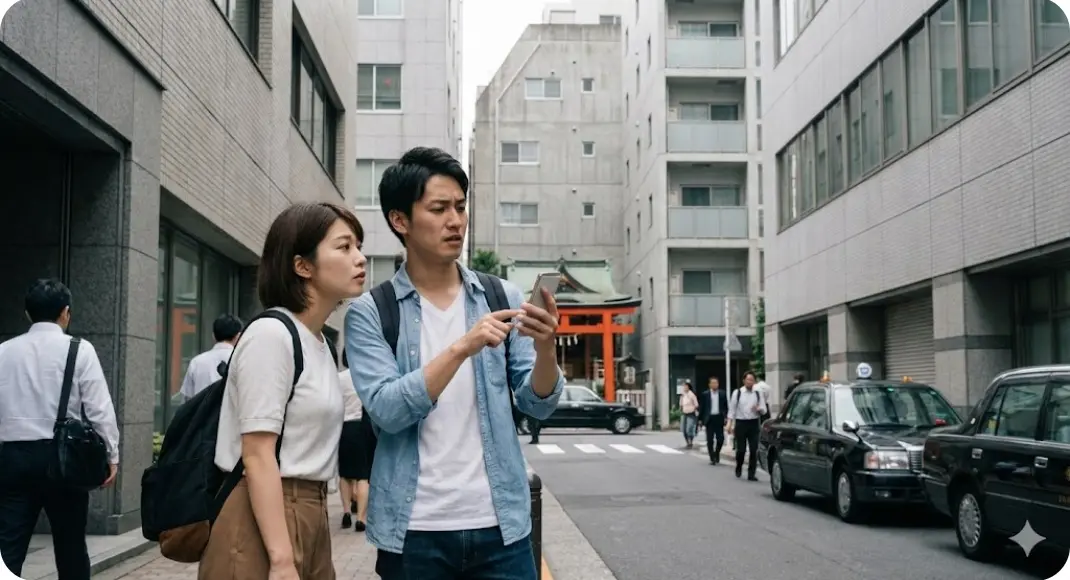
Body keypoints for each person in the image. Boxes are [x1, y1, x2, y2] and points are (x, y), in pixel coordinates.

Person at [345, 146, 564, 580]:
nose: (456, 221)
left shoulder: (502, 297)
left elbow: (538, 404)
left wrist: (545, 350)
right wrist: (461, 347)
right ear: (400, 220)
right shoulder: (372, 311)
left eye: (461, 208)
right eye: (439, 208)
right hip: (415, 532)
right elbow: (387, 411)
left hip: (501, 526)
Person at [199, 203, 366, 580]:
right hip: (260, 512)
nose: (360, 258)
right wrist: (281, 558)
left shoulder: (318, 342)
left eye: (358, 246)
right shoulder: (272, 335)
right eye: (344, 247)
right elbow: (256, 453)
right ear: (302, 266)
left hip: (310, 508)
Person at [0, 279, 120, 580]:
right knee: (70, 546)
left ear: (28, 314)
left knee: (8, 548)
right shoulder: (79, 350)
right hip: (64, 458)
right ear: (65, 313)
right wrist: (111, 454)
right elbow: (99, 408)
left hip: (13, 456)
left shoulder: (4, 352)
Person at [337, 349, 370, 532]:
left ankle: (346, 511)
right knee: (363, 475)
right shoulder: (365, 376)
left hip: (344, 427)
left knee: (345, 473)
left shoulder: (339, 378)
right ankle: (362, 518)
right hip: (363, 426)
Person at [179, 314, 243, 401]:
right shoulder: (242, 361)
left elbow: (187, 399)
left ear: (213, 336)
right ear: (238, 336)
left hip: (201, 414)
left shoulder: (196, 362)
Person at [727, 370, 767, 481]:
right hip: (741, 423)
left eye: (752, 380)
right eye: (748, 379)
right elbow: (732, 409)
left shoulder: (758, 393)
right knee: (741, 450)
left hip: (753, 423)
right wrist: (729, 423)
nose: (750, 382)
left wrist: (759, 409)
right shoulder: (738, 393)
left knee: (754, 449)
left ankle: (751, 473)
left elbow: (764, 410)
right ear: (744, 380)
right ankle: (739, 466)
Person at [699, 377, 729, 465]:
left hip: (719, 418)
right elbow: (702, 408)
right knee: (710, 439)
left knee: (720, 439)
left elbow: (725, 406)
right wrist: (700, 420)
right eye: (712, 383)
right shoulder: (705, 394)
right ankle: (712, 458)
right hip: (709, 419)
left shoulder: (722, 394)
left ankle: (717, 453)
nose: (714, 385)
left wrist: (726, 417)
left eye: (716, 383)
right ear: (709, 384)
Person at [678, 381, 699, 448]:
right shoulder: (682, 395)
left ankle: (691, 441)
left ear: (689, 387)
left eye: (686, 387)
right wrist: (680, 409)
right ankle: (687, 442)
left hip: (691, 413)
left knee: (689, 428)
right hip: (684, 413)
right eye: (684, 387)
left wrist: (693, 409)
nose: (685, 388)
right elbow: (681, 404)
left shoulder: (692, 395)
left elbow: (696, 404)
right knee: (683, 429)